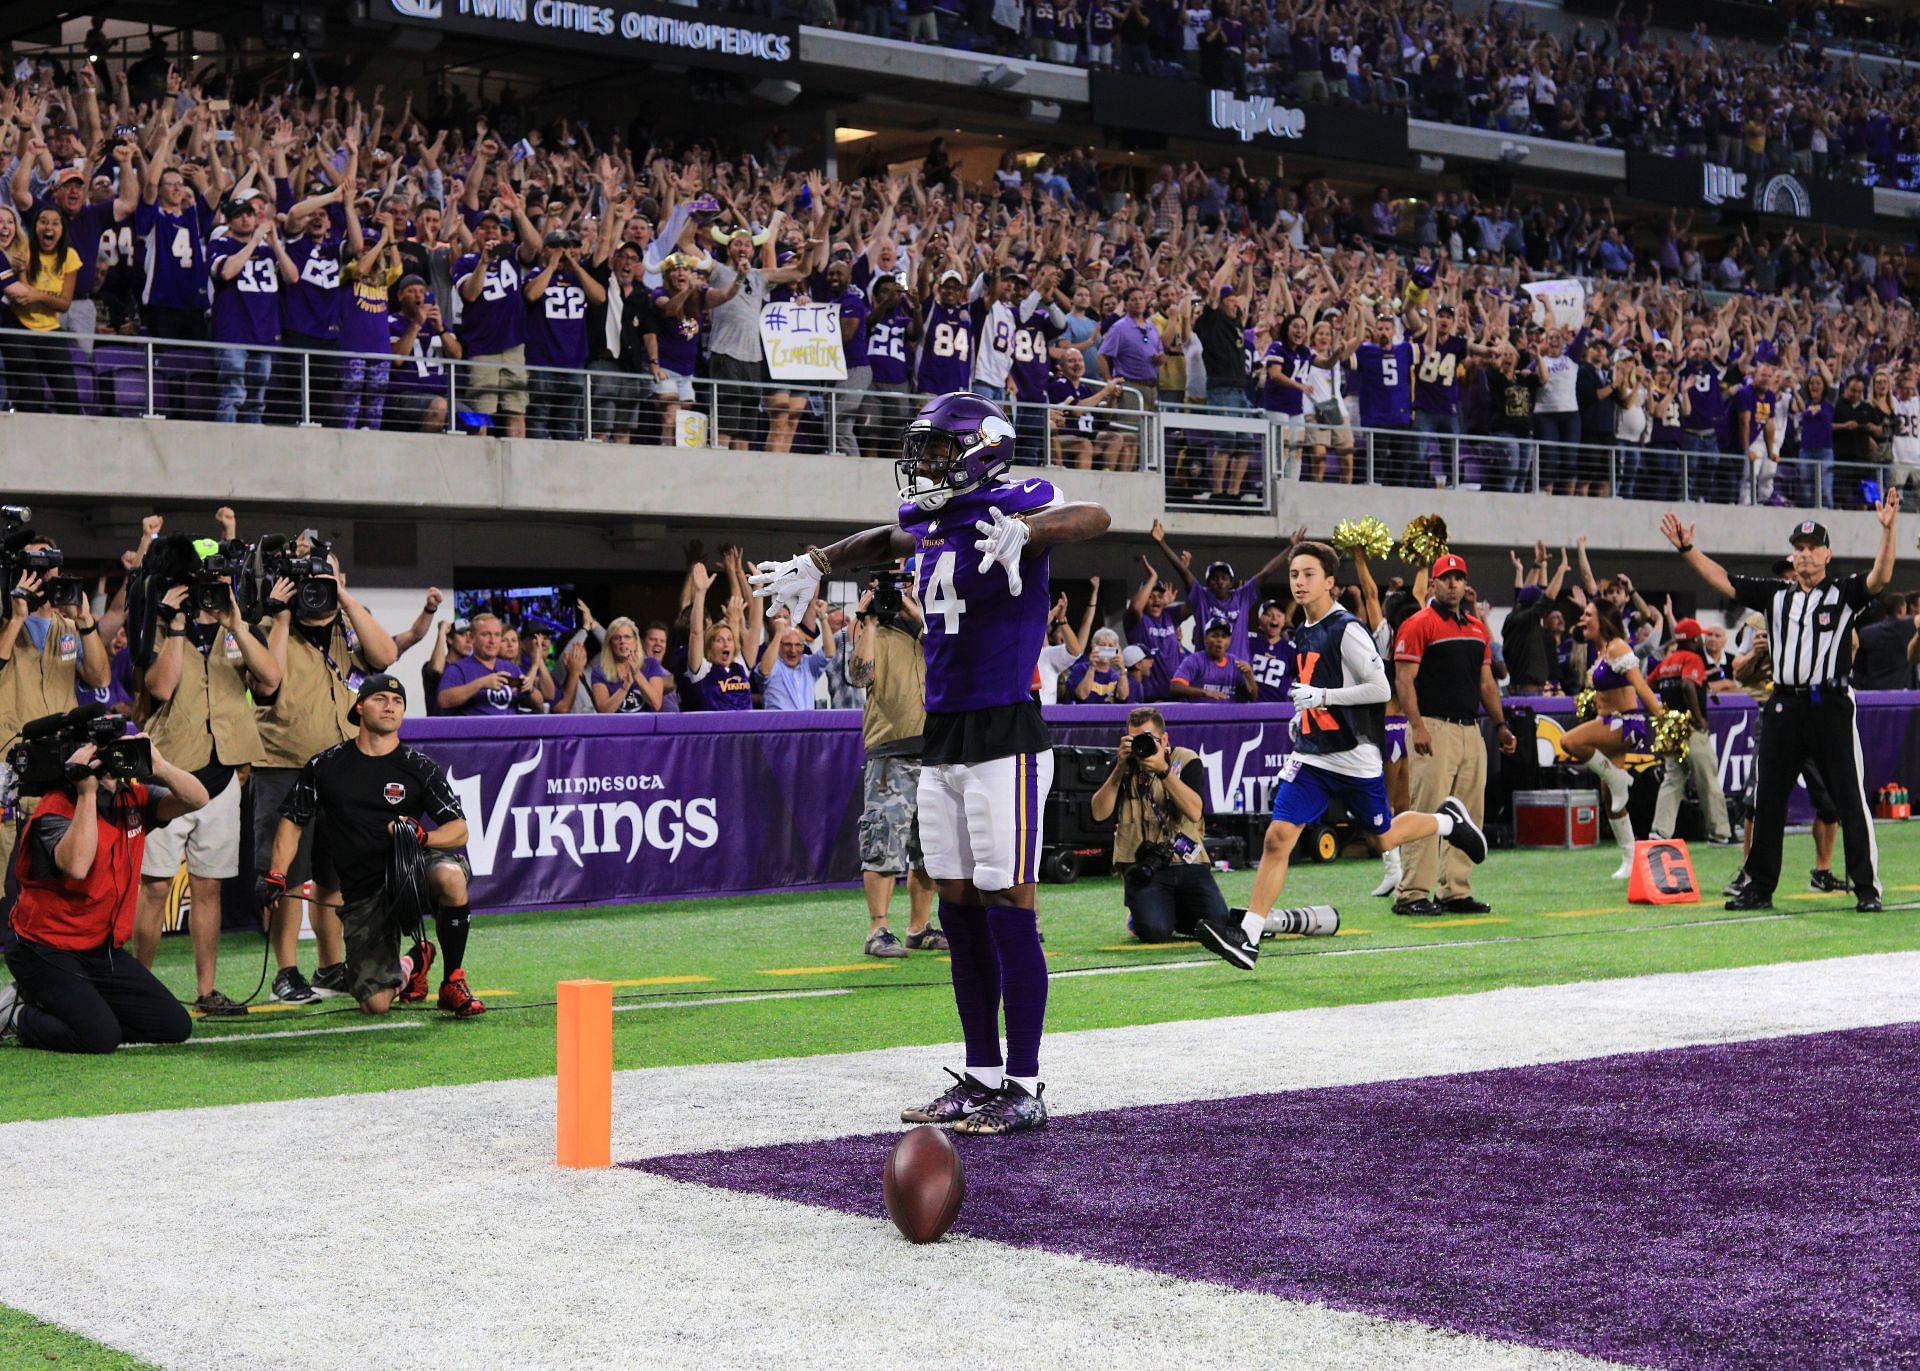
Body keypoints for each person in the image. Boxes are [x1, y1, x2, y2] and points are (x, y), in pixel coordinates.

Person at [751, 391, 1110, 1135]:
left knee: (1011, 902)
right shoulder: (932, 519)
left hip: (1003, 731)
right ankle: (981, 1072)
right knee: (957, 903)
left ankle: (1025, 1081)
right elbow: (888, 536)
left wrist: (1028, 531)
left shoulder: (1019, 499)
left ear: (981, 450)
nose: (923, 464)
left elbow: (1095, 516)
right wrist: (819, 560)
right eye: (922, 450)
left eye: (939, 450)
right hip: (940, 732)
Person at [1193, 540, 1488, 970]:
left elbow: (1381, 688)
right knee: (1278, 837)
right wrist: (1305, 718)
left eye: (1308, 574)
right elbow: (1318, 689)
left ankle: (1447, 821)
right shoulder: (1304, 630)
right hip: (1314, 754)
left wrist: (1323, 697)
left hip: (1354, 757)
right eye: (1294, 574)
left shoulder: (1346, 628)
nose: (1299, 582)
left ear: (1330, 582)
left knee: (1383, 838)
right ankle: (1250, 936)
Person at [1662, 507, 1896, 911]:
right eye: (1798, 548)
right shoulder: (1775, 597)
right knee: (1768, 798)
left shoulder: (1842, 593)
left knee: (1849, 798)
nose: (1804, 554)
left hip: (1830, 703)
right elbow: (1724, 580)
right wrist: (1687, 548)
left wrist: (1889, 530)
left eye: (1812, 547)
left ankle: (1866, 888)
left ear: (1827, 553)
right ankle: (1758, 886)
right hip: (1784, 703)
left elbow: (1881, 577)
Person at [264, 675, 484, 1016]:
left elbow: (459, 830)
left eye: (397, 702)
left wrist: (422, 837)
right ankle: (414, 961)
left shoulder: (419, 766)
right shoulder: (326, 765)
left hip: (409, 874)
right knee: (375, 1004)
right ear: (360, 708)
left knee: (451, 877)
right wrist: (278, 872)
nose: (390, 706)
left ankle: (452, 981)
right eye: (380, 699)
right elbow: (293, 821)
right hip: (363, 892)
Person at [131, 547, 281, 1015]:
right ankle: (139, 988)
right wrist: (177, 625)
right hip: (167, 772)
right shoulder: (155, 624)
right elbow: (159, 687)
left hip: (225, 770)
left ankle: (206, 989)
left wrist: (236, 622)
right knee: (155, 885)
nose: (210, 587)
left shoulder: (238, 627)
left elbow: (272, 679)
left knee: (209, 885)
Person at [0, 727, 209, 1053]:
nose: (112, 766)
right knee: (99, 1037)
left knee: (173, 1026)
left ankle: (77, 1008)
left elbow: (197, 798)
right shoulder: (55, 807)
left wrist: (160, 765)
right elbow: (77, 866)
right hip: (43, 947)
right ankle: (17, 1015)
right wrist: (86, 792)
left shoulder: (132, 799)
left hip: (98, 948)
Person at [1390, 554, 1517, 916]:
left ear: (1466, 584)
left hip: (1470, 729)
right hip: (1433, 727)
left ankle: (1454, 890)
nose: (1452, 584)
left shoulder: (1477, 628)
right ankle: (1412, 892)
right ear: (1433, 584)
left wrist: (1501, 725)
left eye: (1458, 578)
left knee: (1468, 814)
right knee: (1426, 810)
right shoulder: (1418, 624)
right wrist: (1416, 726)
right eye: (1445, 578)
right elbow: (1403, 681)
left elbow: (1486, 682)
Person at [847, 574, 943, 958]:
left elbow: (950, 648)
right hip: (890, 753)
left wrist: (912, 610)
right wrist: (868, 622)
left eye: (901, 591)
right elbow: (857, 675)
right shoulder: (871, 634)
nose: (893, 599)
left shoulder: (927, 635)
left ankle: (919, 927)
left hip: (935, 753)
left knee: (929, 849)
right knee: (883, 841)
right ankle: (878, 929)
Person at [1091, 707, 1228, 943]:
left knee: (1217, 925)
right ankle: (1140, 915)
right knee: (1155, 932)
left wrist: (1164, 772)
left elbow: (1195, 811)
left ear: (1164, 739)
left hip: (1187, 859)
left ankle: (1171, 910)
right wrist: (1119, 769)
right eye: (1134, 739)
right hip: (1144, 864)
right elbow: (1099, 813)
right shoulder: (1123, 764)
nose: (1140, 745)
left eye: (1147, 738)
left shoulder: (1186, 760)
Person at [1555, 599, 1670, 878]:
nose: (1583, 618)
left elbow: (1640, 686)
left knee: (1569, 742)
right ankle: (1630, 859)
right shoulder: (1599, 650)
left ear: (1603, 620)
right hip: (1607, 721)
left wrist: (1664, 717)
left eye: (1588, 614)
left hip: (1624, 724)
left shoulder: (1618, 647)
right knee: (1611, 798)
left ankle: (1619, 780)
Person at [1648, 618, 1734, 847]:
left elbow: (1649, 685)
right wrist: (1699, 718)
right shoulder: (1692, 658)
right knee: (1707, 779)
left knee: (1673, 779)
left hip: (1671, 728)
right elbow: (1687, 684)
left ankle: (1659, 832)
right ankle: (1720, 833)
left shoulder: (1667, 662)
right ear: (1694, 639)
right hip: (1691, 729)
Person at [436, 612, 531, 715]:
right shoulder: (458, 669)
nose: (492, 640)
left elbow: (540, 703)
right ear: (472, 638)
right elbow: (443, 700)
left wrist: (530, 690)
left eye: (497, 635)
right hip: (476, 730)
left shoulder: (511, 667)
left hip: (511, 729)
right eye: (486, 634)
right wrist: (481, 684)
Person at [758, 600, 836, 711]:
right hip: (779, 725)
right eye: (787, 645)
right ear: (779, 646)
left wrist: (823, 619)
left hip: (806, 725)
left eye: (798, 645)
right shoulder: (773, 664)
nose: (793, 650)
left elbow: (829, 653)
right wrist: (779, 633)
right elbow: (764, 670)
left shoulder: (808, 664)